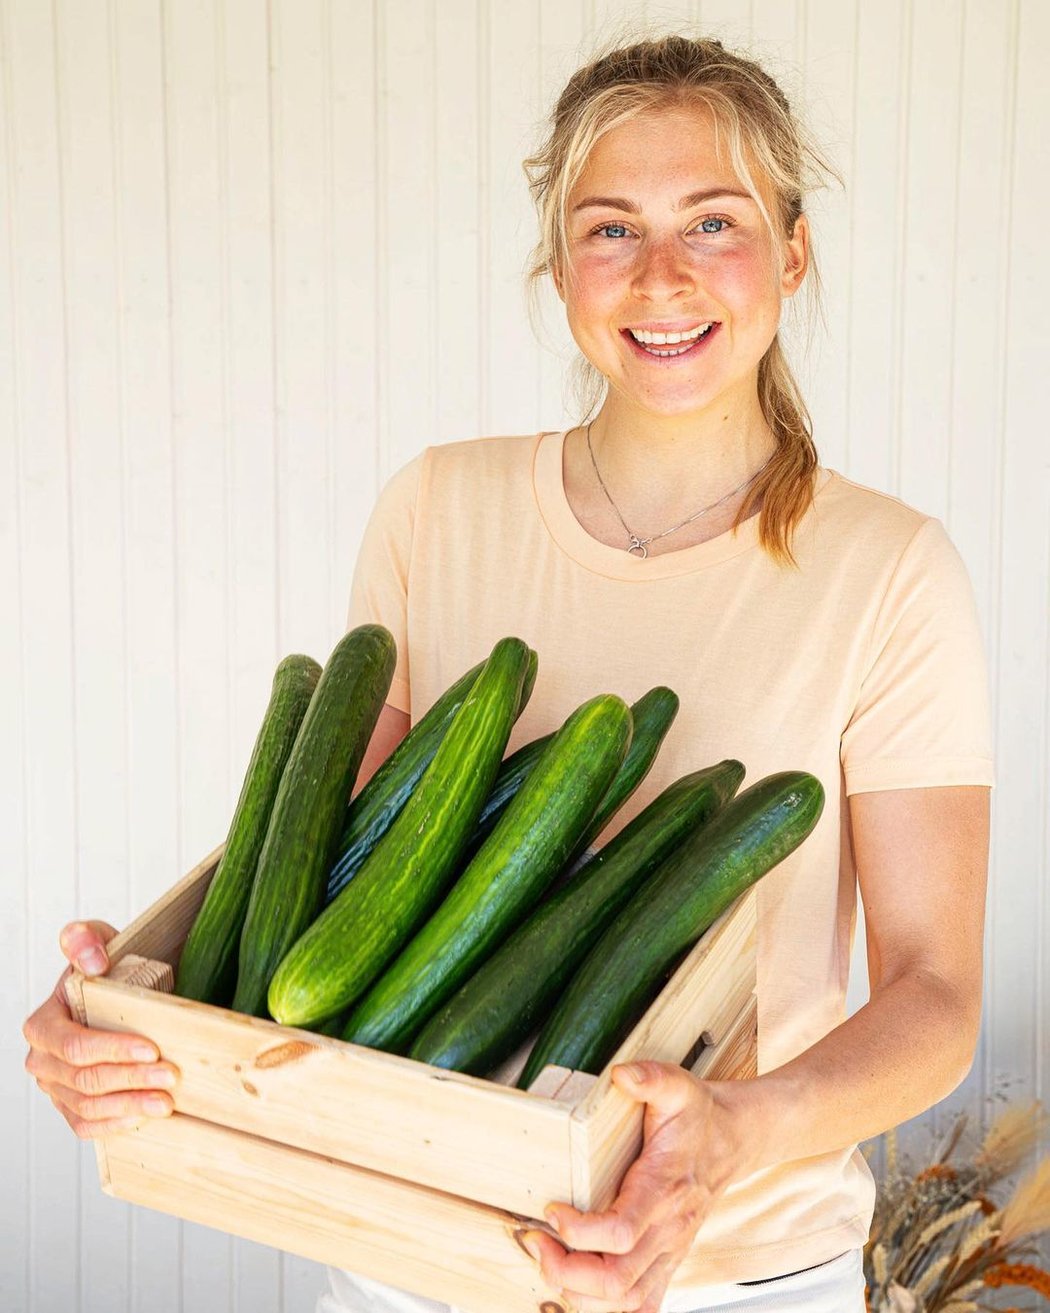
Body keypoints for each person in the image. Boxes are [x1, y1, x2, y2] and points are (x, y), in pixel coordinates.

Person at [23, 29, 993, 1313]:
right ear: (556, 266)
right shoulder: (439, 507)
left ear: (792, 252)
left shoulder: (890, 568)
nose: (660, 275)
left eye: (713, 221)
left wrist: (733, 1136)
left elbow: (936, 997)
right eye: (608, 230)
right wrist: (131, 1005)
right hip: (410, 1248)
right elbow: (337, 868)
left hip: (735, 1278)